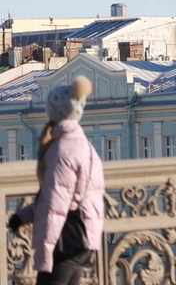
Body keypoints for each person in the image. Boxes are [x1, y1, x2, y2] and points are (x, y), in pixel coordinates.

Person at [8, 76, 105, 285]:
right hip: (82, 236)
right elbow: (59, 198)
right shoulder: (84, 146)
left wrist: (45, 254)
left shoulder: (61, 151)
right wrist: (22, 217)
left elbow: (55, 208)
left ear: (52, 113)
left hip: (64, 241)